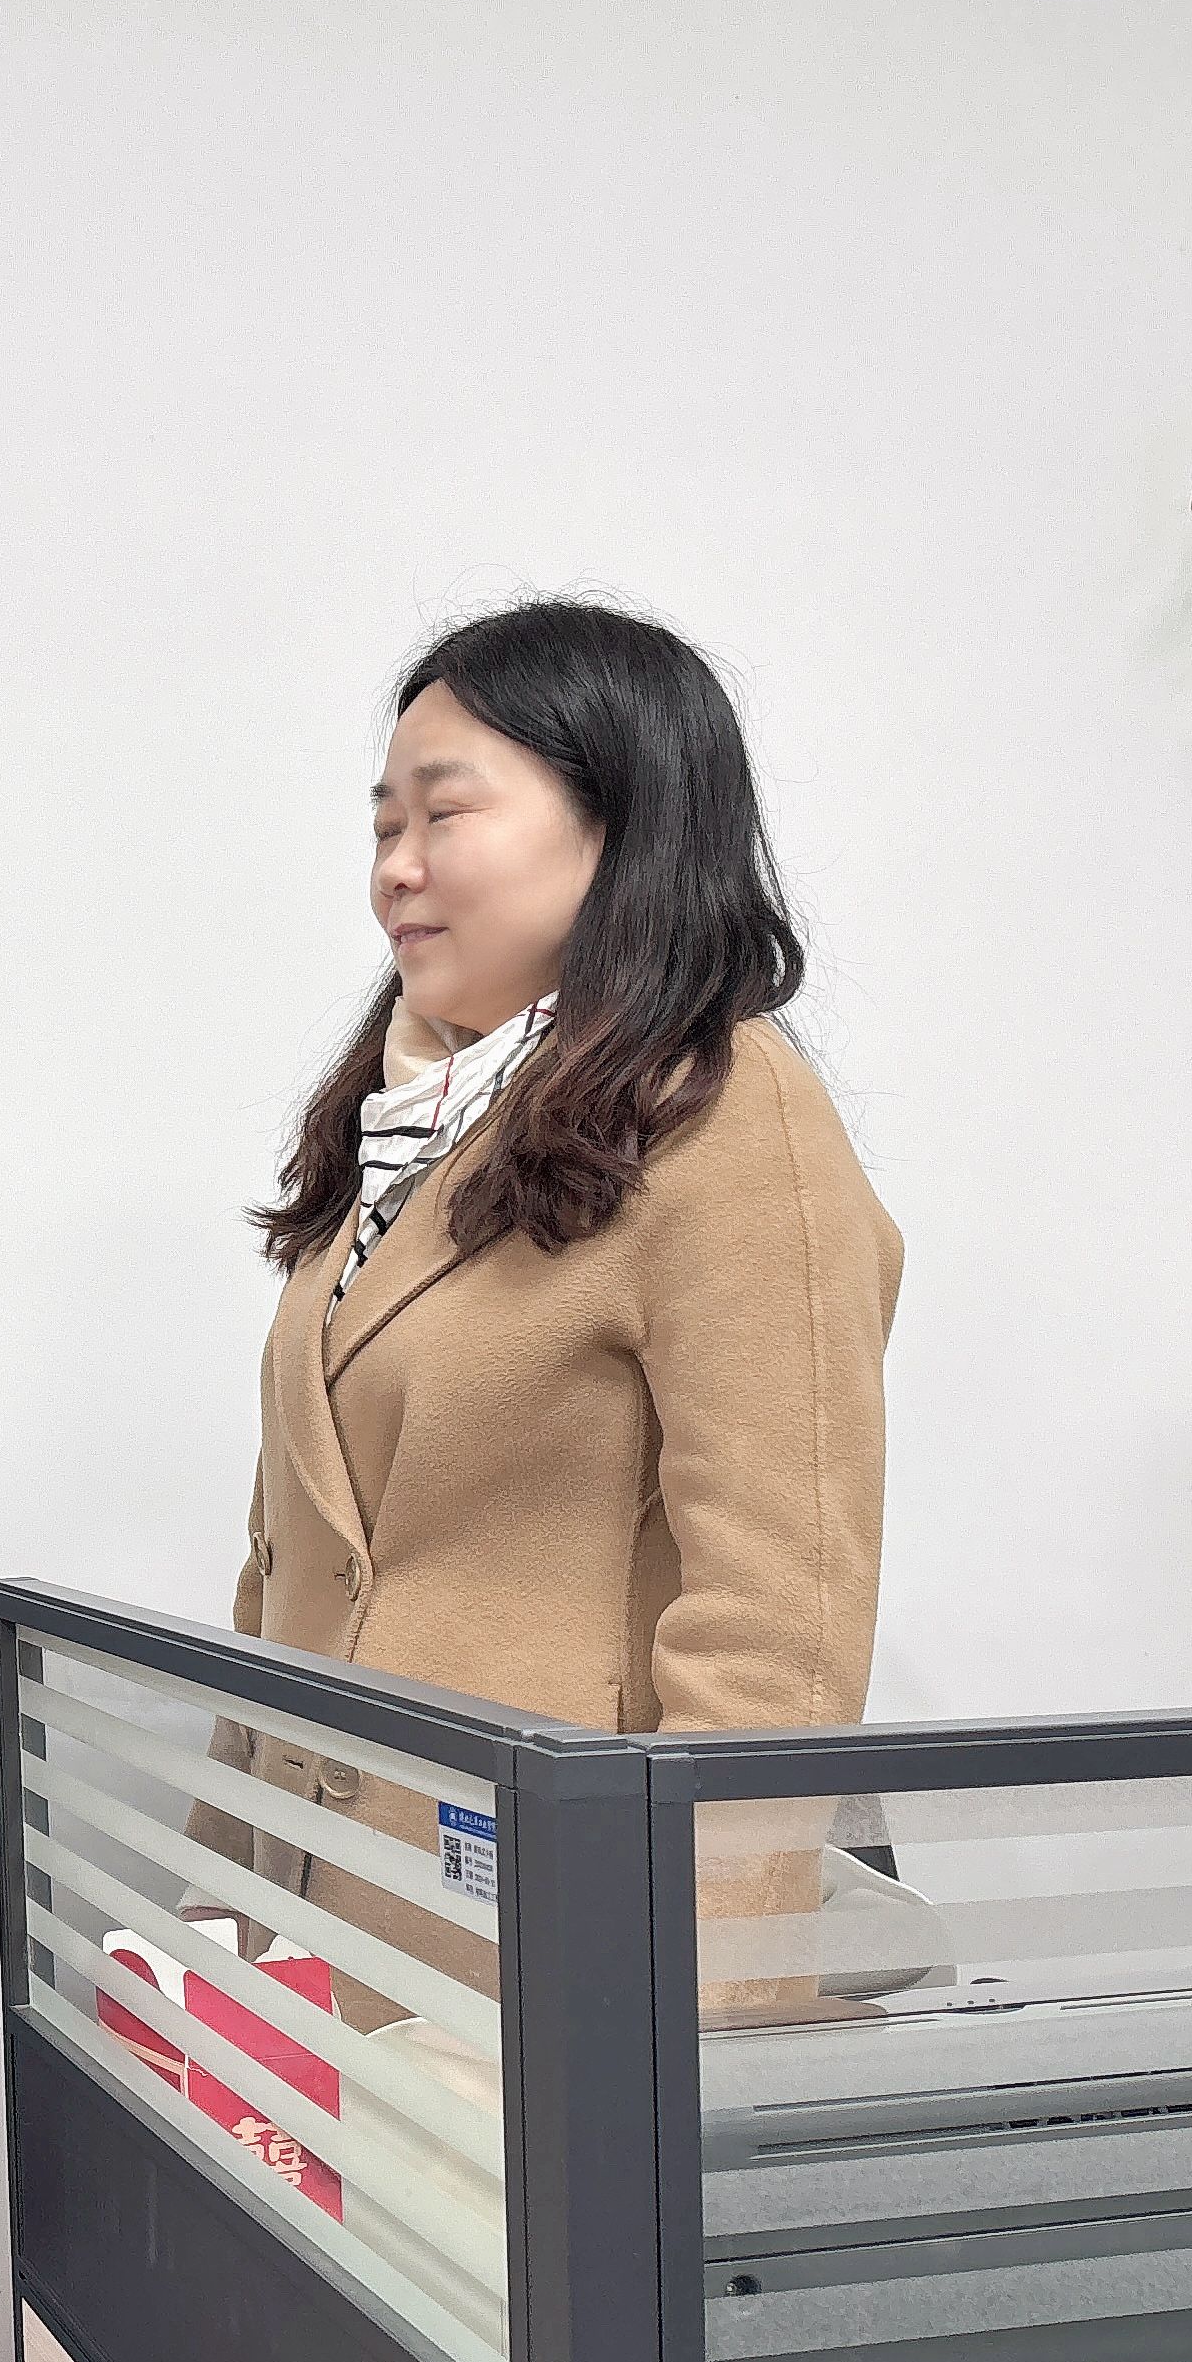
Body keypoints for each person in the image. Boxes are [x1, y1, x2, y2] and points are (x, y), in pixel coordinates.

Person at [206, 596, 903, 2042]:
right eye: (382, 825)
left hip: (555, 1965)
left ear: (619, 823)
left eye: (443, 814)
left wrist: (685, 2025)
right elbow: (290, 1566)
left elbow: (777, 1638)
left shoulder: (732, 1118)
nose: (395, 868)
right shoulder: (415, 1123)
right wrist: (217, 1903)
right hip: (337, 1935)